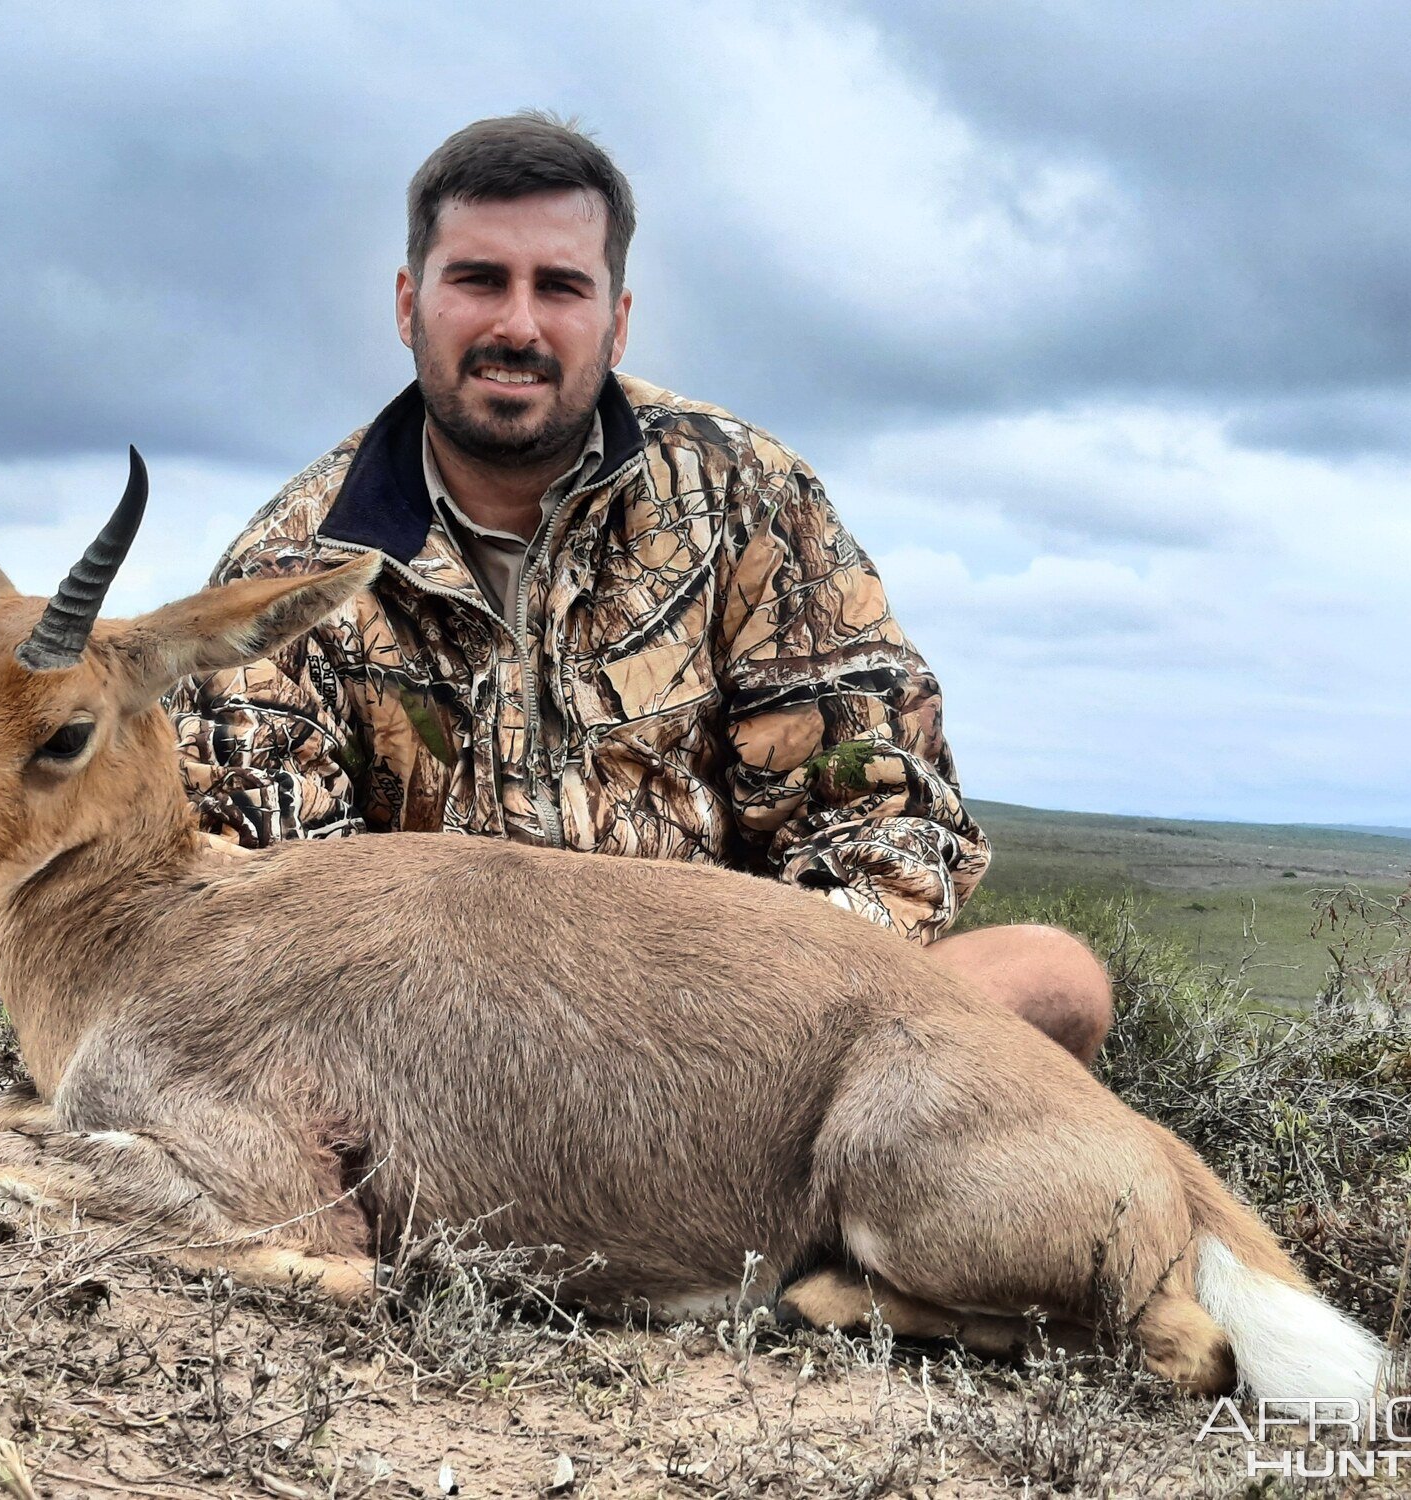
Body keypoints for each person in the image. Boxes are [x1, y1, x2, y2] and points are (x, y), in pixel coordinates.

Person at [172, 113, 1112, 1065]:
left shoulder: (747, 495)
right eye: (479, 280)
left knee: (1048, 980)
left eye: (561, 288)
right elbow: (265, 908)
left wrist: (744, 1025)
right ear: (410, 302)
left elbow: (881, 813)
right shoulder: (286, 581)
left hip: (749, 1044)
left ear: (616, 321)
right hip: (446, 1077)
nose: (518, 324)